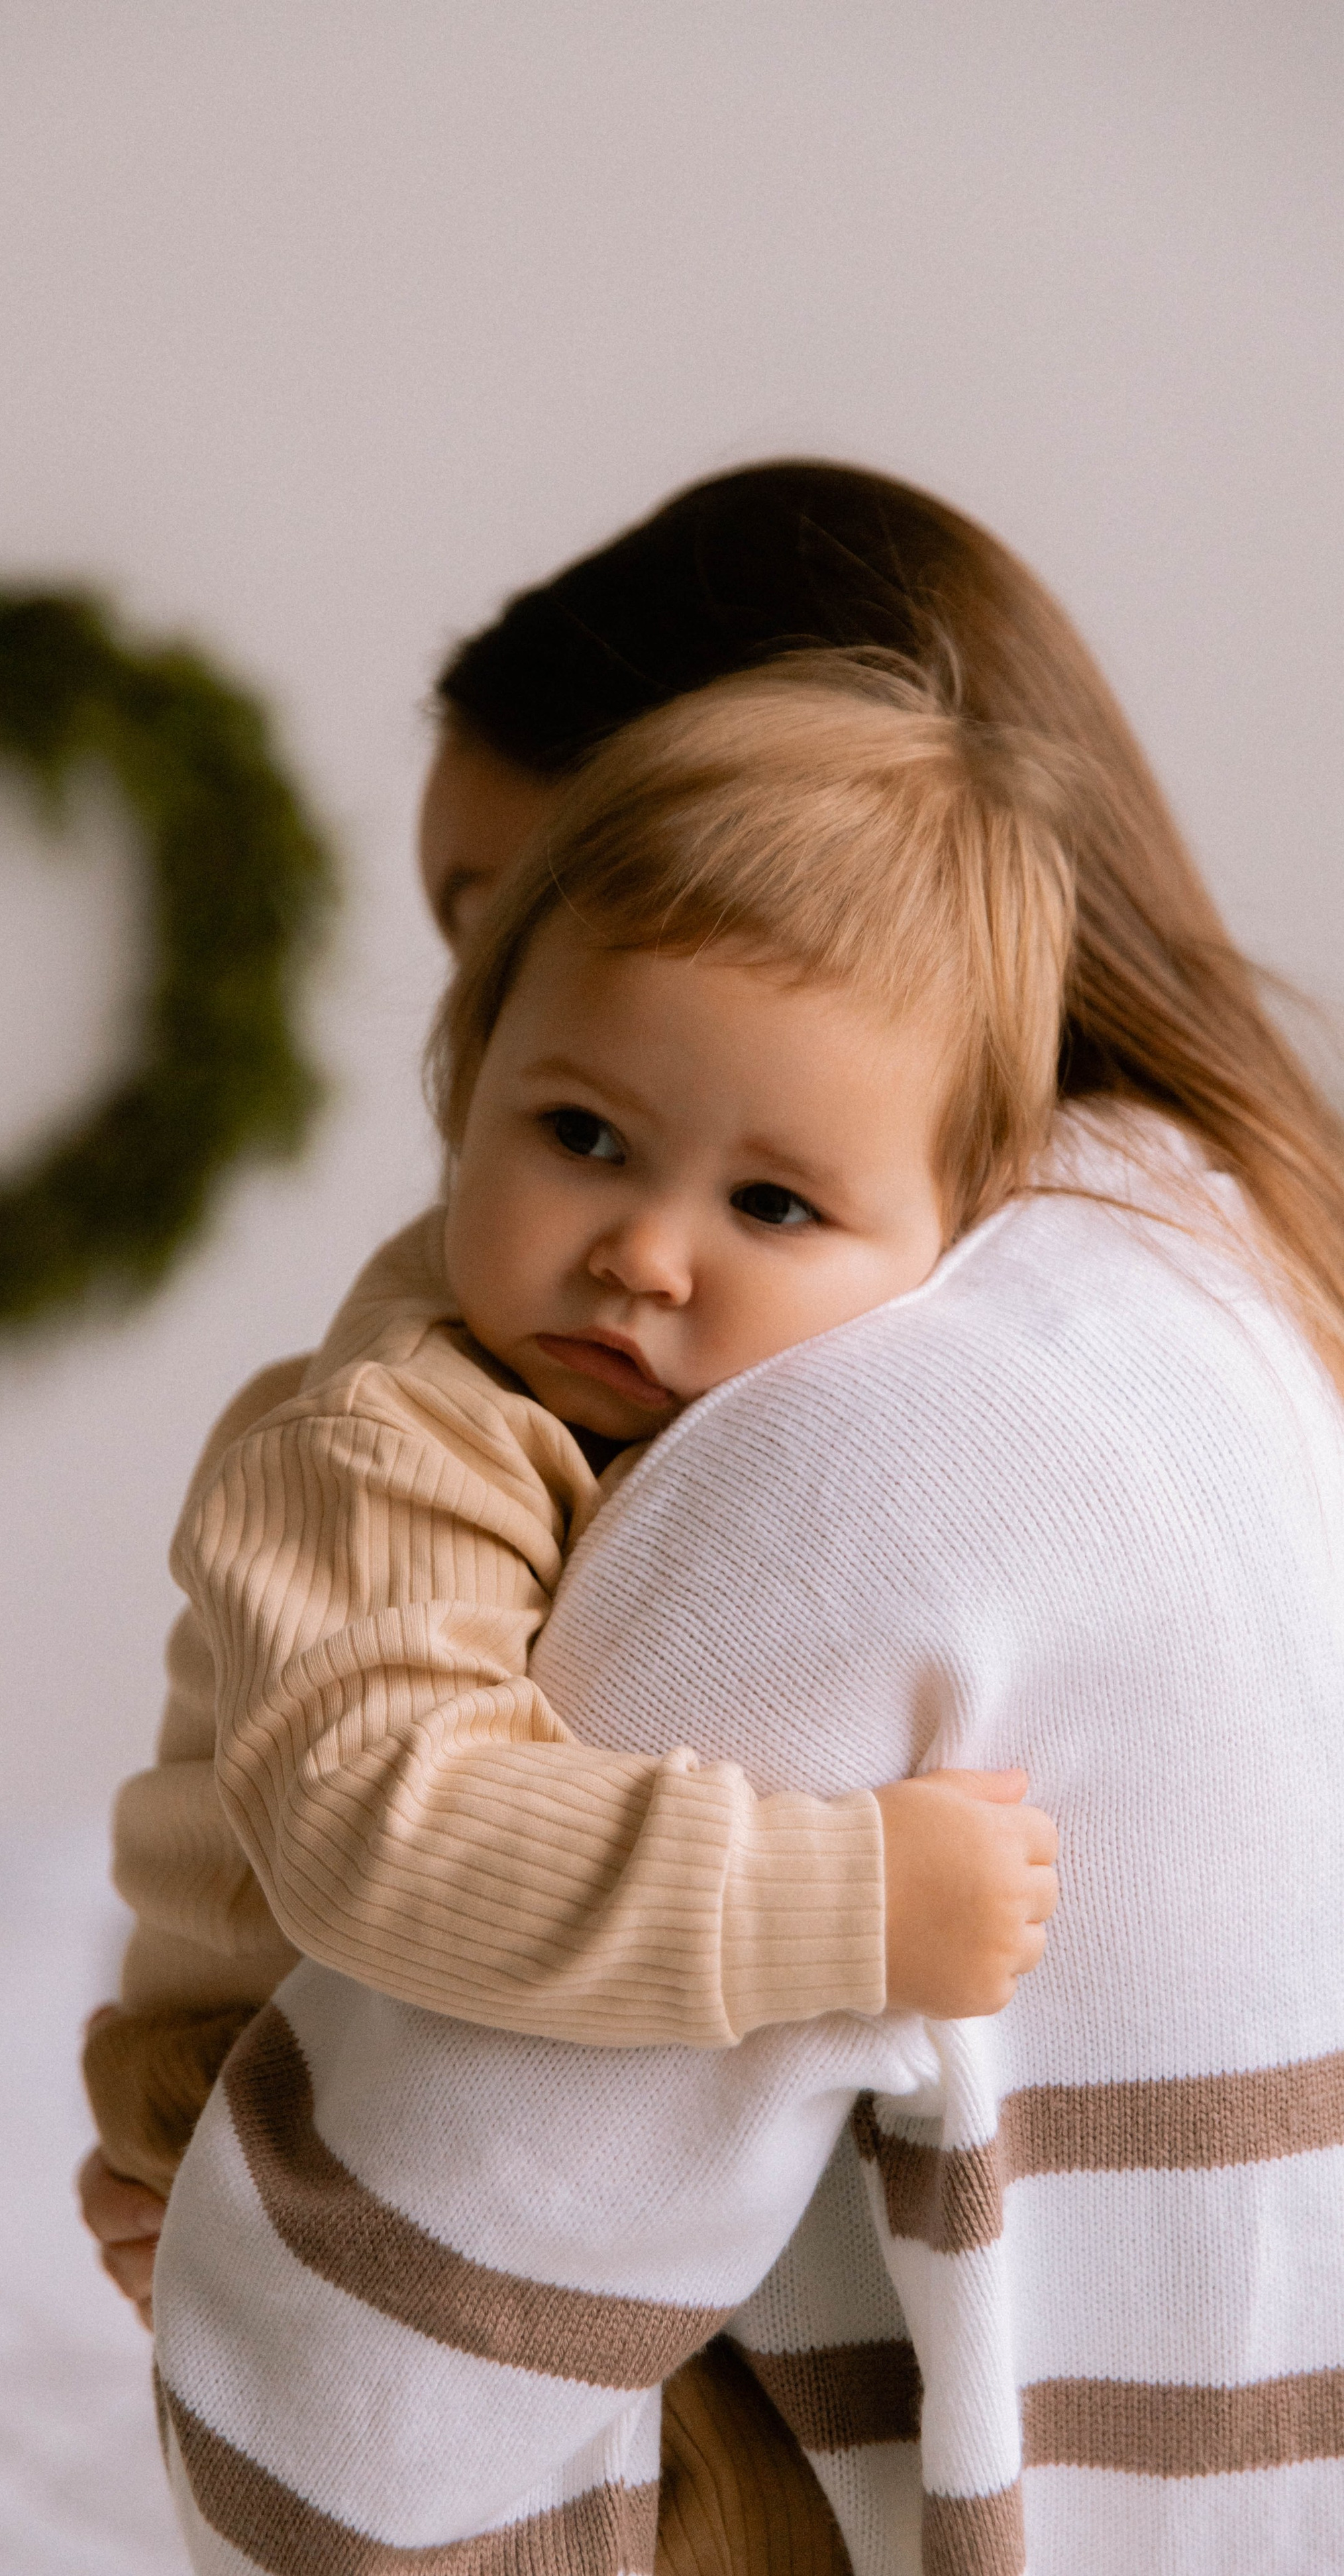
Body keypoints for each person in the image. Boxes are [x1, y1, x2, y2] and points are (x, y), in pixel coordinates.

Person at [80, 461, 1344, 2567]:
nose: (647, 1251)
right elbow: (391, 1818)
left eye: (770, 1193)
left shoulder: (956, 1362)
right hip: (259, 2082)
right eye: (575, 1117)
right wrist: (845, 1903)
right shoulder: (399, 1426)